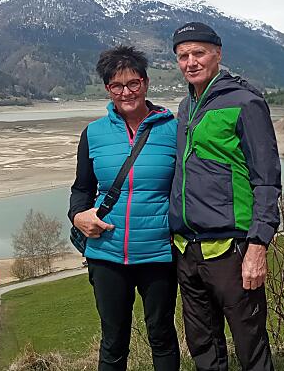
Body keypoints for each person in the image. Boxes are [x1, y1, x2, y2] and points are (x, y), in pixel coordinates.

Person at [170, 22, 282, 371]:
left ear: (217, 54)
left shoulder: (245, 101)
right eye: (183, 56)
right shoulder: (185, 106)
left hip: (232, 249)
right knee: (203, 345)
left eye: (198, 53)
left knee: (251, 345)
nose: (191, 62)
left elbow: (267, 180)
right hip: (187, 248)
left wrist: (258, 244)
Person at [68, 46, 180, 371]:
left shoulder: (173, 130)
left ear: (146, 83)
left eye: (133, 83)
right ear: (107, 89)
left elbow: (187, 188)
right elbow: (81, 189)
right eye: (117, 86)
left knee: (161, 335)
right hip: (106, 254)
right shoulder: (93, 134)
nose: (126, 92)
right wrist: (77, 215)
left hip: (158, 253)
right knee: (113, 340)